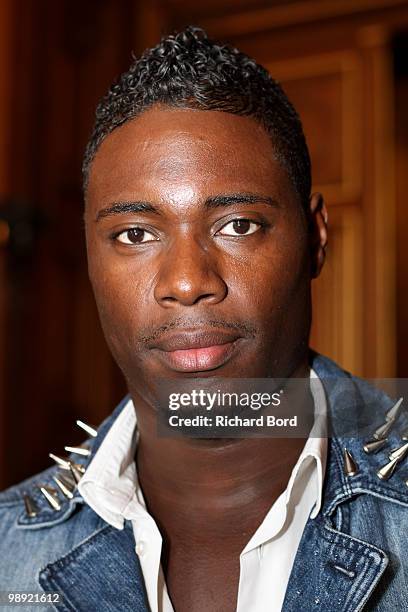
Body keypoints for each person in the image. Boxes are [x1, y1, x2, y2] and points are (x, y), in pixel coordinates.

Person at [0, 26, 407, 612]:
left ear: (315, 239)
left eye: (237, 224)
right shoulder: (11, 553)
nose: (188, 282)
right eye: (135, 234)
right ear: (89, 257)